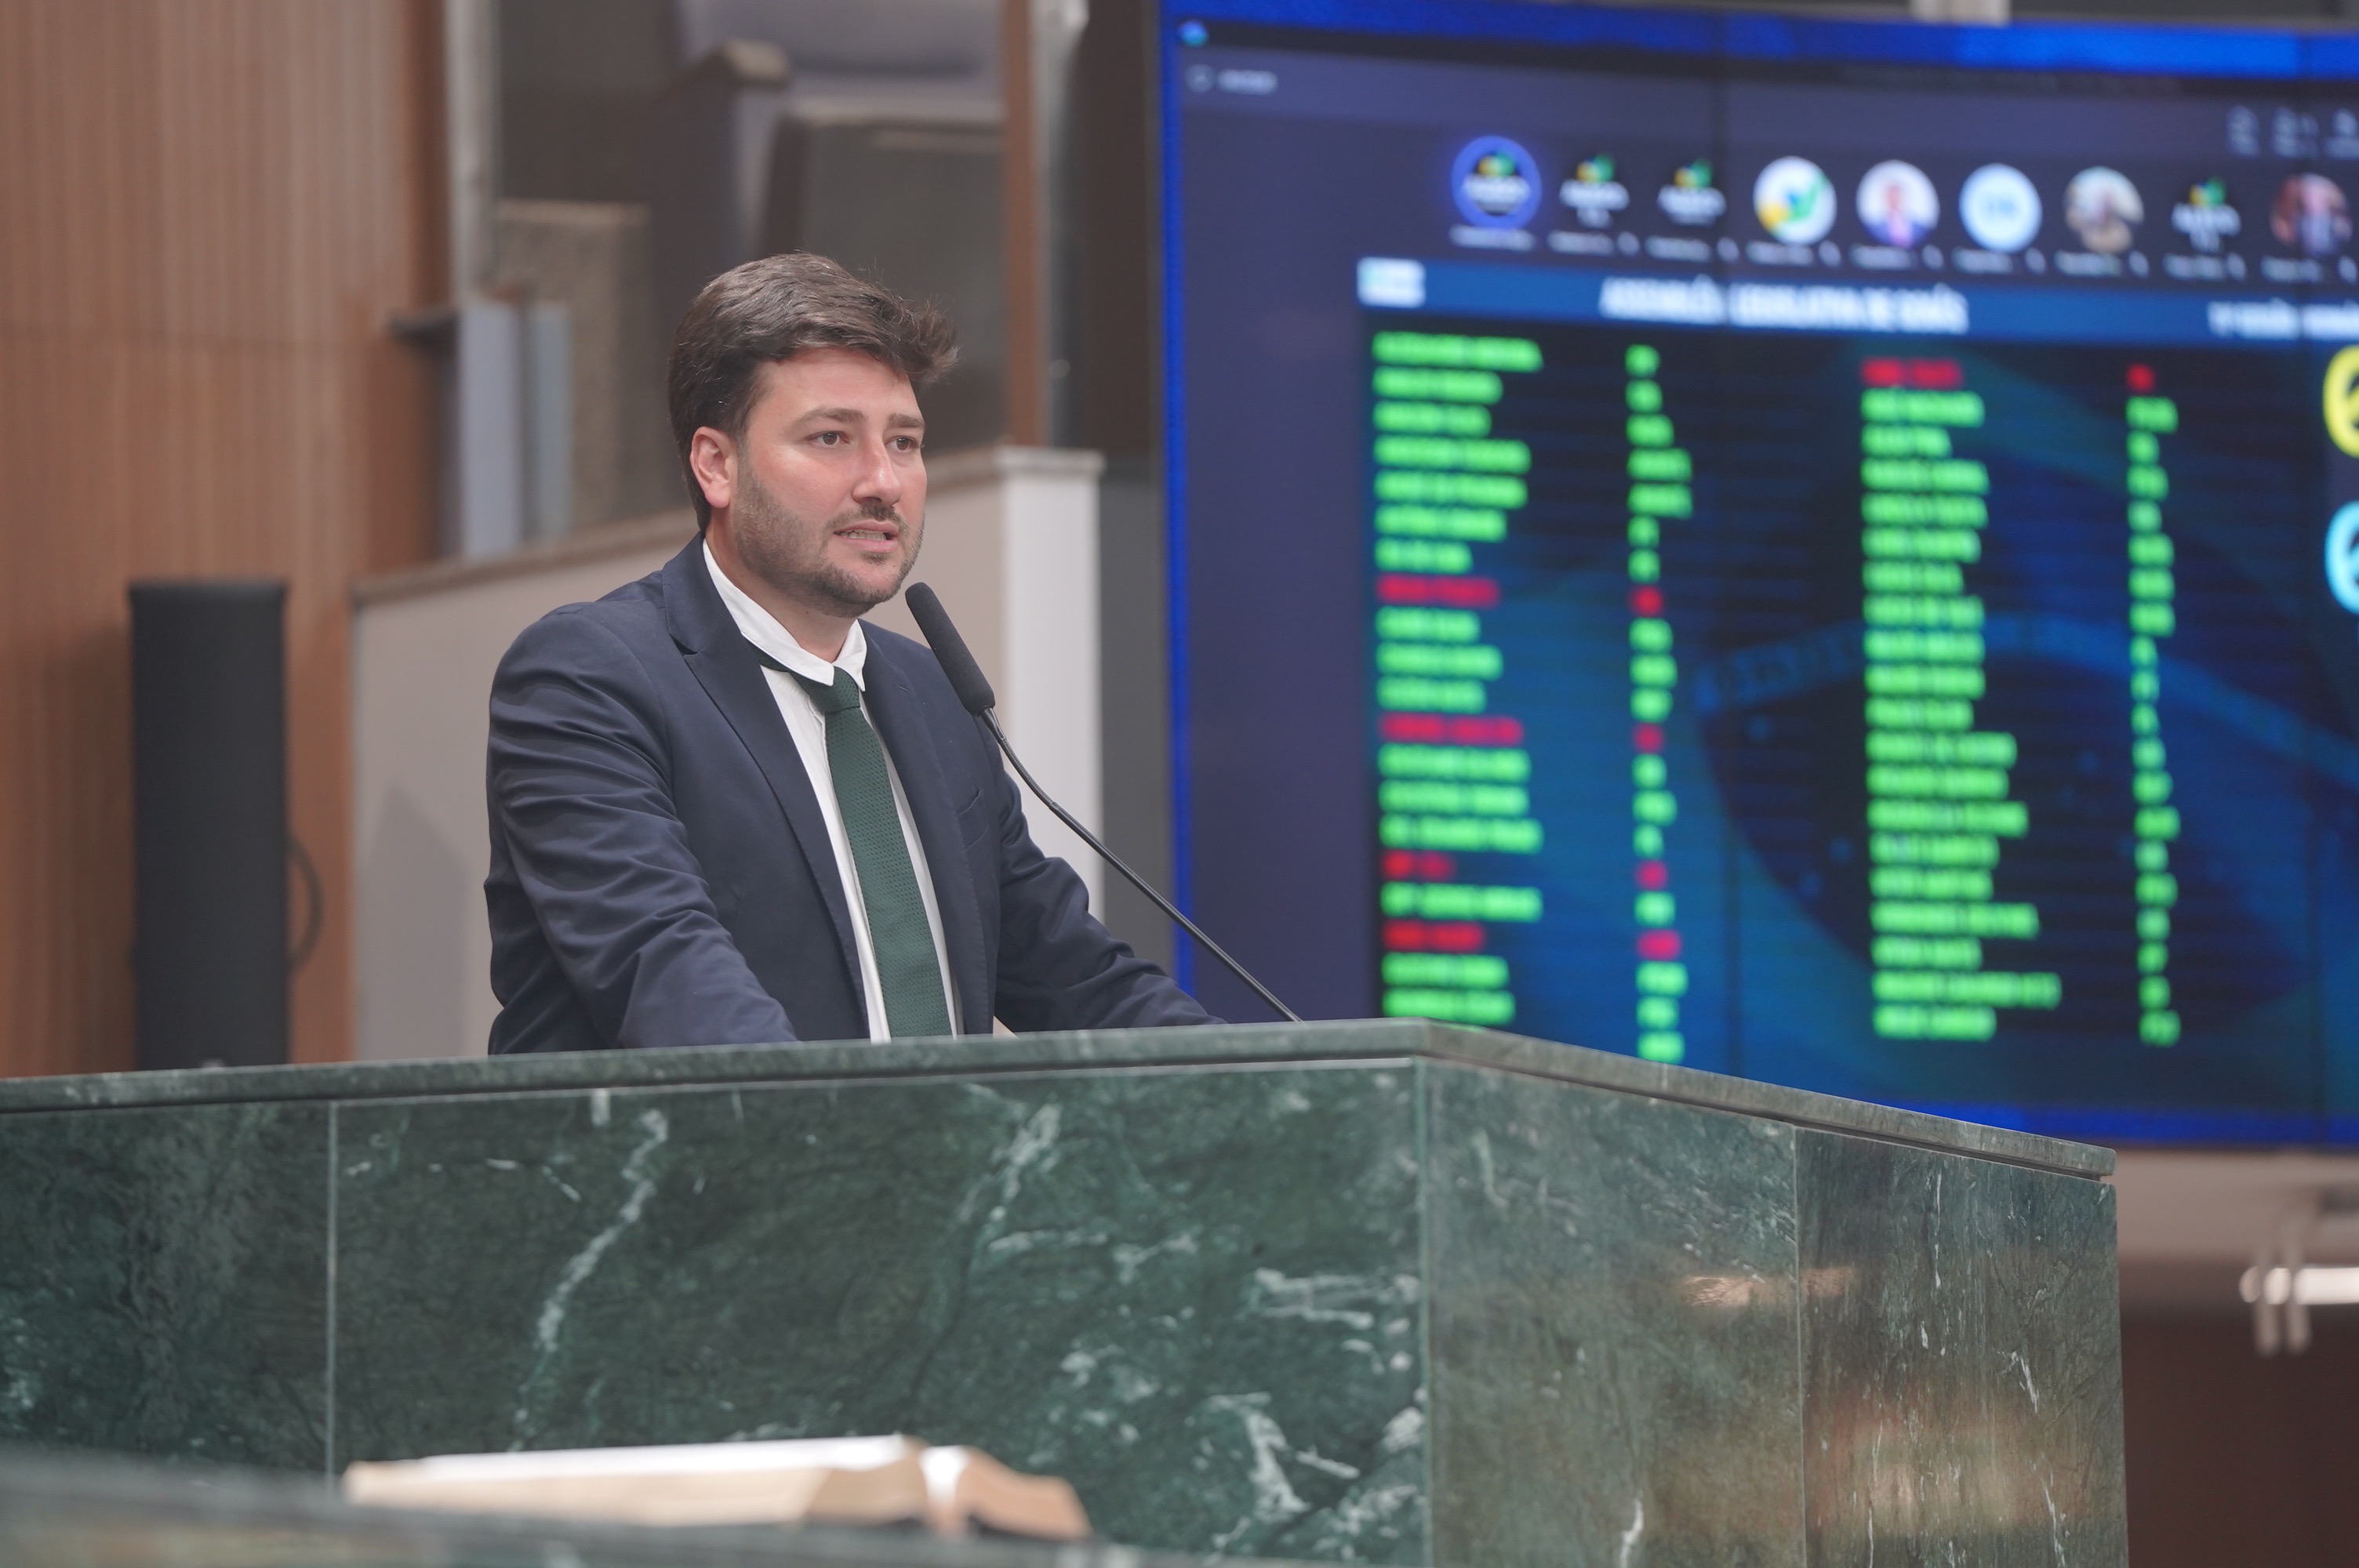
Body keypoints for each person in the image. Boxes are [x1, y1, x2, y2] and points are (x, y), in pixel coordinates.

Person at [483, 253, 1214, 1052]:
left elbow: (1078, 978)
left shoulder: (934, 695)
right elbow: (666, 971)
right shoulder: (590, 675)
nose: (883, 481)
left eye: (904, 441)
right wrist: (857, 1128)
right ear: (717, 465)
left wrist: (1269, 1086)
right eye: (831, 437)